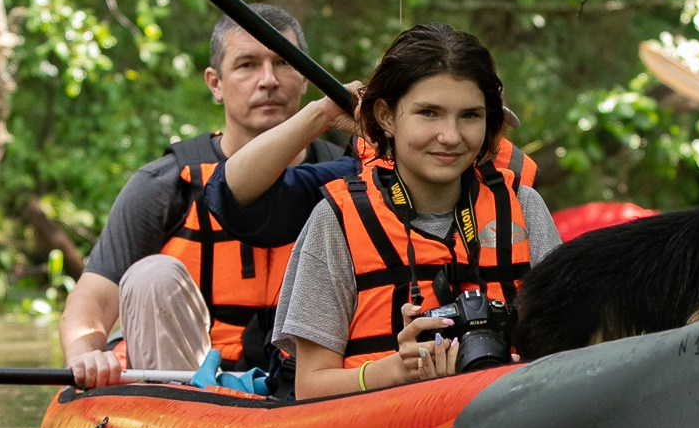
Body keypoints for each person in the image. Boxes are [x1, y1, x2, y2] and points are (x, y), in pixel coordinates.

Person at [216, 24, 560, 398]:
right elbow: (310, 387)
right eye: (429, 113)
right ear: (386, 116)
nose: (450, 135)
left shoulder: (523, 207)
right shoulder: (337, 219)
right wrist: (397, 370)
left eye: (470, 116)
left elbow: (571, 351)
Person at [58, 5, 337, 388]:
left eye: (283, 63)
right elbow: (95, 296)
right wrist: (85, 355)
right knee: (150, 275)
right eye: (247, 65)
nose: (268, 80)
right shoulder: (164, 184)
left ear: (305, 77)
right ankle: (172, 423)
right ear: (215, 83)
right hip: (188, 386)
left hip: (307, 388)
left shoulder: (351, 177)